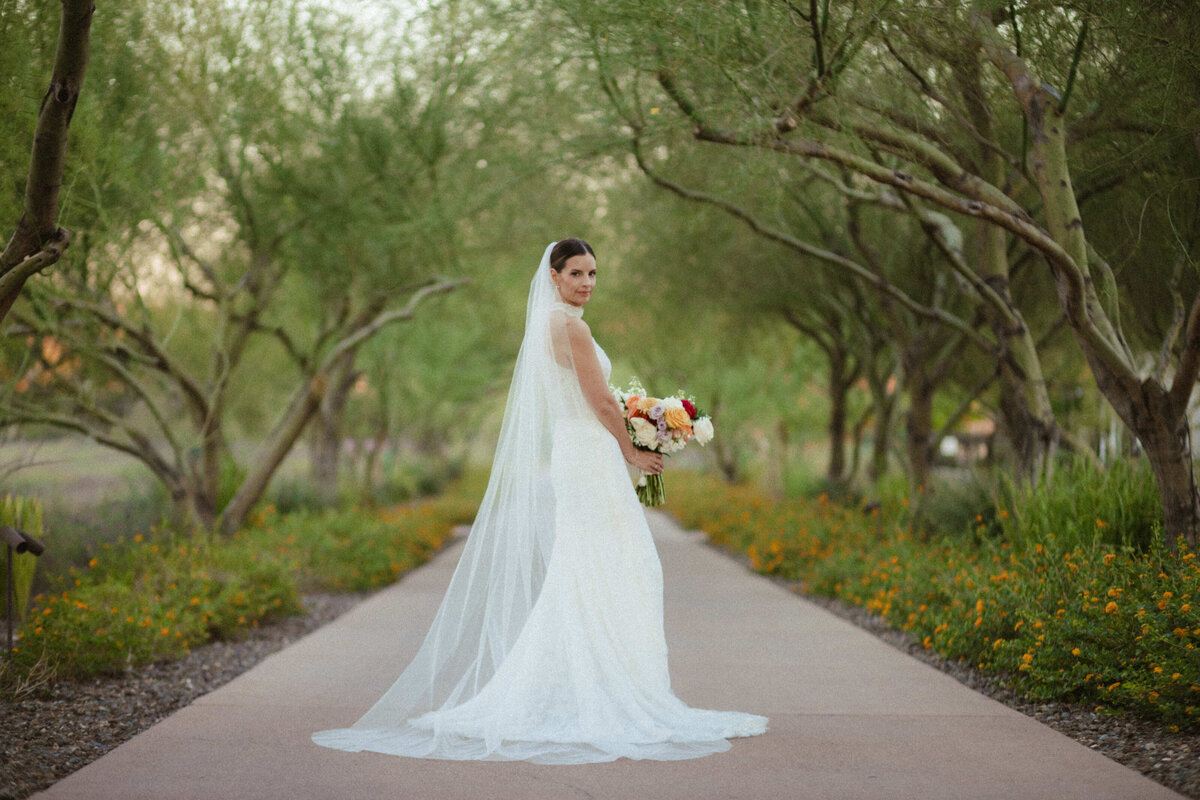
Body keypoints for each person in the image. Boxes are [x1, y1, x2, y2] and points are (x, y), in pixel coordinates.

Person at [312, 240, 767, 763]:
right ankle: (602, 689)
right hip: (592, 453)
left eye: (594, 273)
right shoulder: (570, 327)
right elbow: (598, 399)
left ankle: (589, 680)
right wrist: (632, 449)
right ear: (554, 276)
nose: (587, 283)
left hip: (578, 450)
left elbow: (597, 395)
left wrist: (641, 418)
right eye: (576, 273)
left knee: (591, 566)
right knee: (624, 563)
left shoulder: (548, 325)